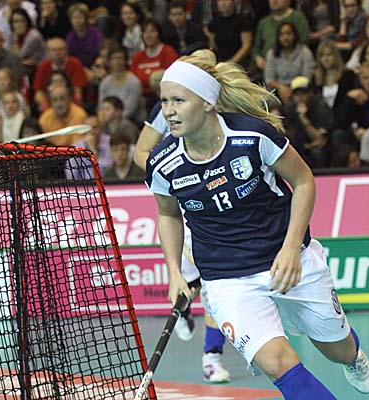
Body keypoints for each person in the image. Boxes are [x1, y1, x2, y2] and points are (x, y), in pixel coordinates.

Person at [145, 56, 369, 398]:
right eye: (164, 101)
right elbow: (168, 214)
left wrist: (291, 249)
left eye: (179, 100)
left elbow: (304, 182)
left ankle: (353, 357)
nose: (169, 111)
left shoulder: (252, 135)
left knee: (337, 349)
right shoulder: (163, 163)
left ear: (207, 102)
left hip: (286, 259)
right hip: (226, 277)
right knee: (276, 362)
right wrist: (175, 273)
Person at [133, 48, 233, 383]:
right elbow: (141, 152)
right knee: (190, 284)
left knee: (215, 284)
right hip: (186, 203)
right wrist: (172, 174)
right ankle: (186, 312)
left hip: (224, 205)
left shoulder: (226, 102)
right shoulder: (169, 107)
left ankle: (212, 357)